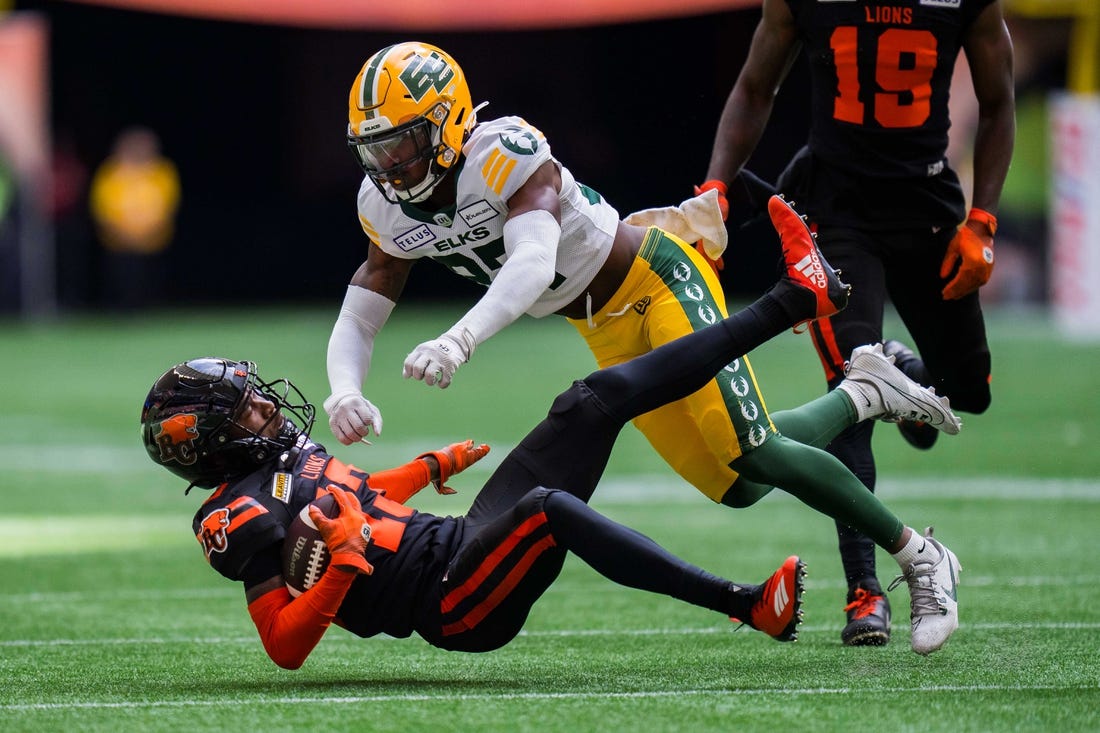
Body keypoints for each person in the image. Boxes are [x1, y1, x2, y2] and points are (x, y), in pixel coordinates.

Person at [325, 43, 960, 625]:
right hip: (600, 325)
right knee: (736, 484)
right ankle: (864, 395)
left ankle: (921, 553)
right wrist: (344, 390)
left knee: (751, 450)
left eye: (402, 144)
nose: (389, 165)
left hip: (656, 283)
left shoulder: (504, 152)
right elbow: (363, 305)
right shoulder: (382, 203)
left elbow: (533, 261)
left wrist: (458, 340)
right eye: (375, 150)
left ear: (449, 121)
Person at [142, 246, 963, 667]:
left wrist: (422, 472)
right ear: (212, 441)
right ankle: (745, 602)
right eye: (245, 406)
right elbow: (284, 642)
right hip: (451, 601)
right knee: (548, 512)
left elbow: (356, 493)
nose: (265, 406)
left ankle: (790, 301)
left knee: (590, 400)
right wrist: (339, 571)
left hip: (454, 535)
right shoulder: (232, 515)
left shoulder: (289, 461)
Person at [697, 0, 1014, 646]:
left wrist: (982, 220)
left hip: (926, 204)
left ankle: (904, 375)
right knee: (850, 392)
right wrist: (715, 188)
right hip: (836, 210)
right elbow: (756, 85)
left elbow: (1000, 100)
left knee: (968, 390)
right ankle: (866, 590)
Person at [89, 126, 181, 309]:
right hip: (118, 243)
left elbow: (169, 206)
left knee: (152, 284)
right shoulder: (110, 172)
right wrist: (122, 234)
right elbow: (102, 209)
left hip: (154, 242)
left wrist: (147, 233)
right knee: (122, 283)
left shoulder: (162, 171)